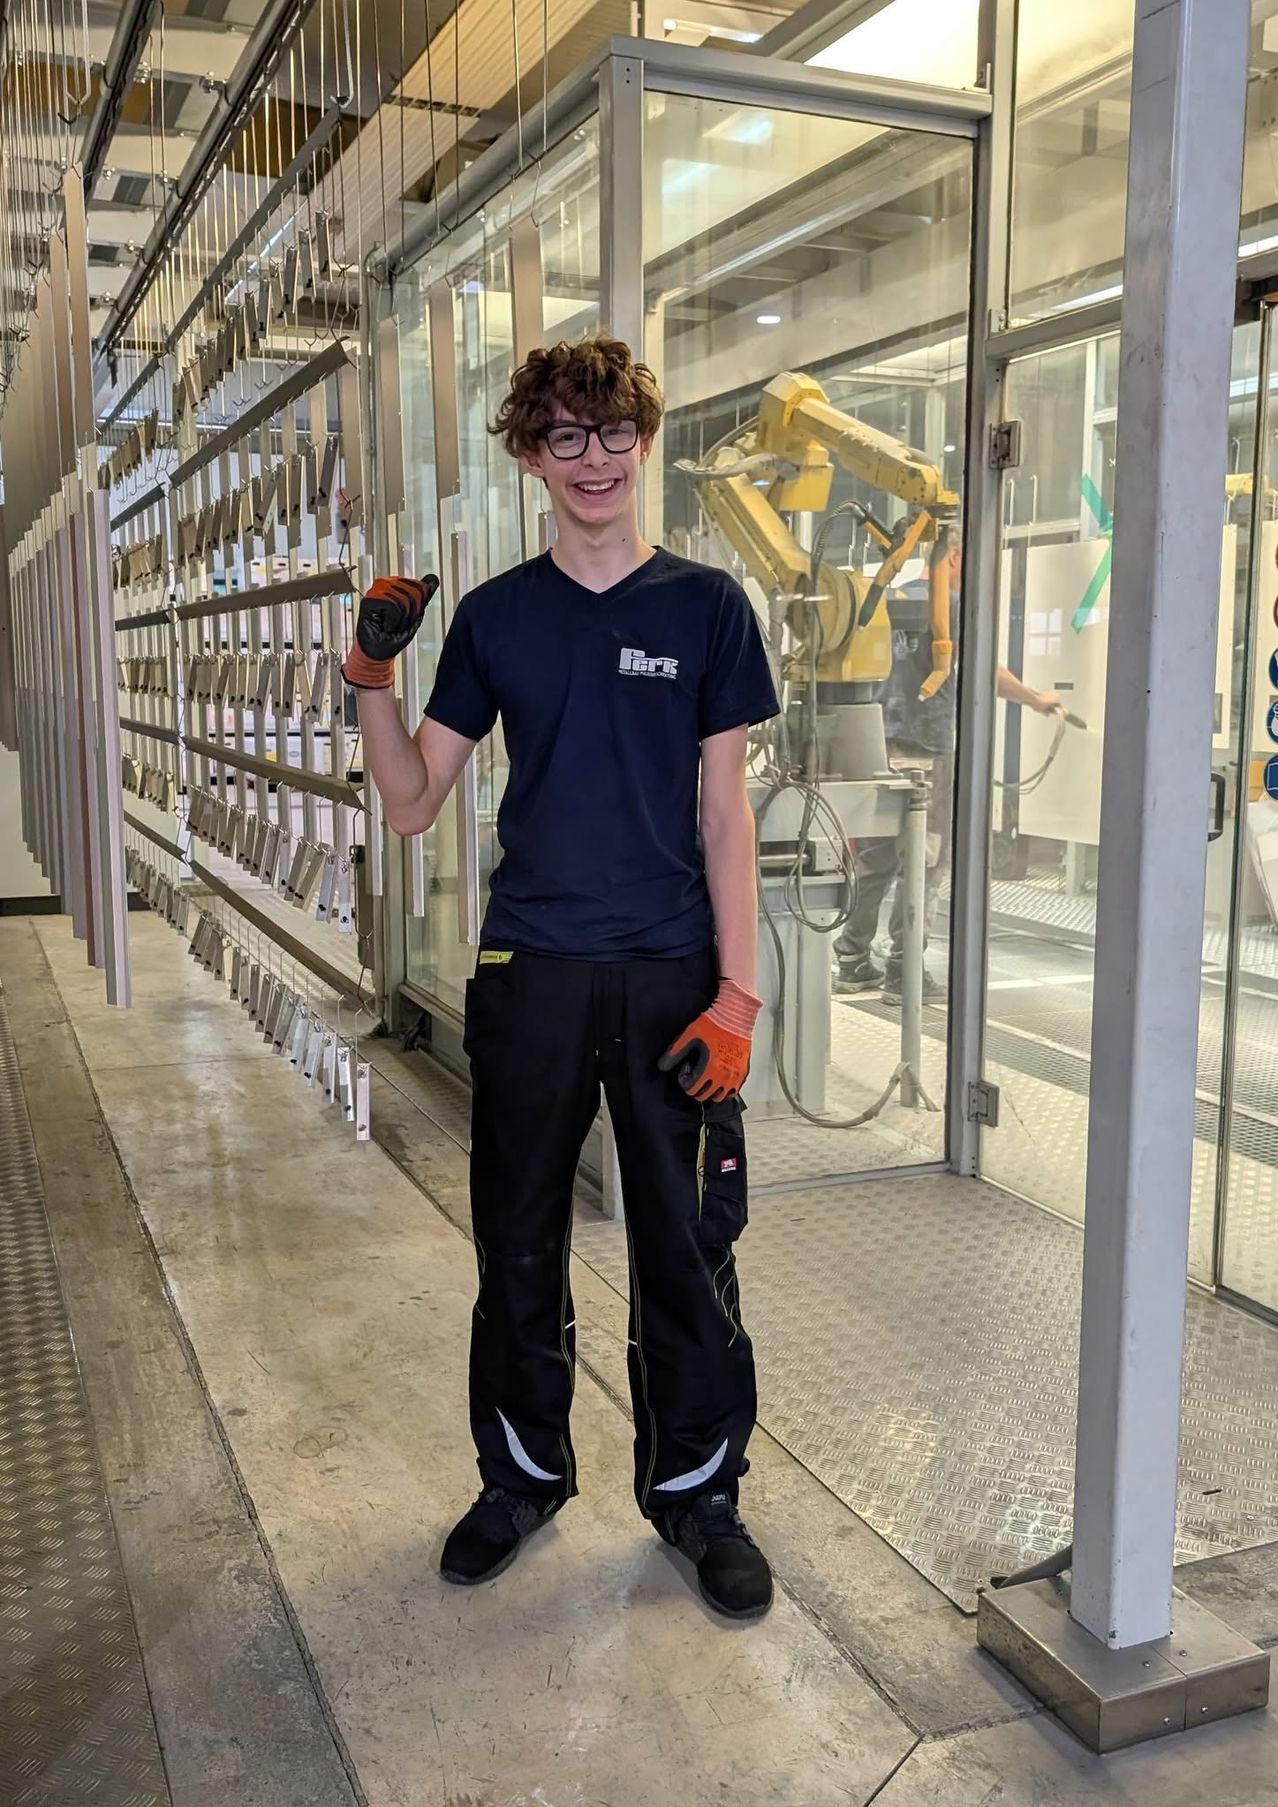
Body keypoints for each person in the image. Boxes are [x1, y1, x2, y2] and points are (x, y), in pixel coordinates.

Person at [341, 335, 780, 1620]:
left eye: (615, 431)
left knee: (686, 1252)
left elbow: (726, 816)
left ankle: (699, 1496)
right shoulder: (497, 618)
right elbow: (416, 800)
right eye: (565, 437)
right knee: (517, 1244)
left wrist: (738, 995)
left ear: (645, 440)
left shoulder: (707, 608)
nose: (595, 459)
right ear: (531, 456)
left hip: (670, 983)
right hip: (529, 974)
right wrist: (372, 675)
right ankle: (522, 1476)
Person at [835, 537, 1058, 1003]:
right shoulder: (952, 604)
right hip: (930, 750)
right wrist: (1036, 699)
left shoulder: (890, 600)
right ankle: (904, 971)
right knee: (927, 861)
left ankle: (853, 959)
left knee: (875, 859)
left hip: (881, 746)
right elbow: (982, 671)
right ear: (955, 555)